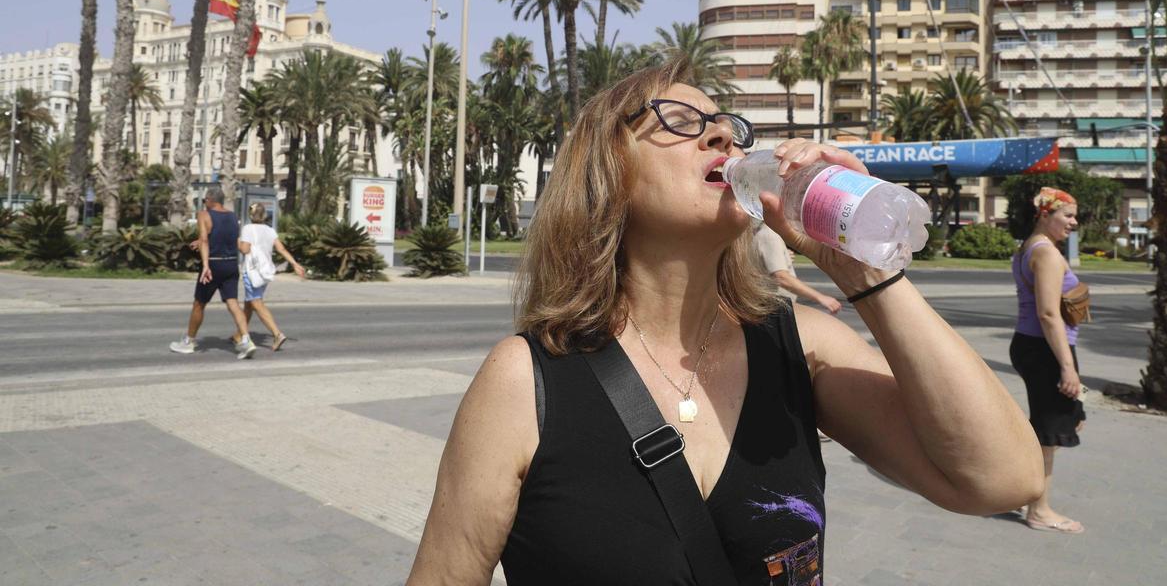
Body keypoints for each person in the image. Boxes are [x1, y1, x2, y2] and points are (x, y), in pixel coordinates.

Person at [407, 60, 1043, 585]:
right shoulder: (526, 383)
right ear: (607, 171)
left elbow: (1001, 479)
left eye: (728, 127)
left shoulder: (802, 346)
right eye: (679, 122)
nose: (723, 139)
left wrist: (864, 271)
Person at [1009, 187, 1087, 534]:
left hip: (1032, 346)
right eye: (1067, 215)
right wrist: (1068, 367)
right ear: (1045, 214)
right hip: (1047, 349)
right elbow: (1049, 314)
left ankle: (1024, 490)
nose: (1073, 222)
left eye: (1074, 216)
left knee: (1061, 420)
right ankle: (1038, 510)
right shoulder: (1047, 255)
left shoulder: (1028, 247)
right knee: (1049, 432)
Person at [169, 188, 257, 360]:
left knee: (199, 304)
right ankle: (246, 340)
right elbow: (225, 237)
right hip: (231, 264)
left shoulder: (204, 215)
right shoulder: (232, 216)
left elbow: (204, 239)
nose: (204, 204)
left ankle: (189, 341)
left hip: (214, 264)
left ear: (210, 200)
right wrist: (202, 242)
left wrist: (206, 265)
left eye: (204, 201)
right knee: (232, 302)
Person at [235, 202, 306, 351]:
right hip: (265, 272)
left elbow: (245, 250)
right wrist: (294, 264)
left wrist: (237, 241)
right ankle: (240, 334)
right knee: (249, 303)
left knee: (256, 302)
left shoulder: (247, 229)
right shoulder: (270, 230)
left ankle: (277, 334)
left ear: (250, 215)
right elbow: (281, 248)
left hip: (252, 271)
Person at [751, 221, 842, 314]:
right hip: (775, 309)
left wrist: (784, 256)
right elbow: (781, 277)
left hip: (771, 306)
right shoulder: (770, 236)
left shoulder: (763, 233)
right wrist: (821, 297)